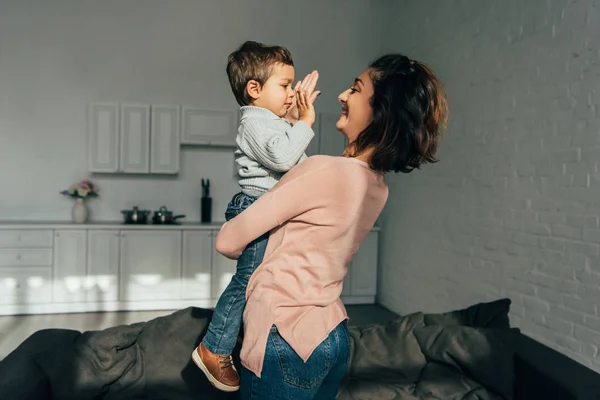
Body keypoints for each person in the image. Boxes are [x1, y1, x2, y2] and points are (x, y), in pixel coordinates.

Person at [212, 53, 448, 400]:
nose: (341, 96)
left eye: (355, 89)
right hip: (331, 336)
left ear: (379, 109)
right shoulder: (377, 187)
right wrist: (291, 125)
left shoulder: (323, 171)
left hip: (284, 336)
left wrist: (293, 126)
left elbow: (228, 241)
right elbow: (324, 182)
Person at [191, 40, 321, 392]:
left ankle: (249, 343)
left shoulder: (273, 121)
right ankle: (213, 348)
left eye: (292, 85)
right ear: (254, 89)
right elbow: (282, 160)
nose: (291, 92)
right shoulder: (255, 121)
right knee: (247, 282)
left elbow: (297, 164)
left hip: (269, 209)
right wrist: (305, 122)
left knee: (263, 283)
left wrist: (294, 120)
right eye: (284, 85)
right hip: (255, 208)